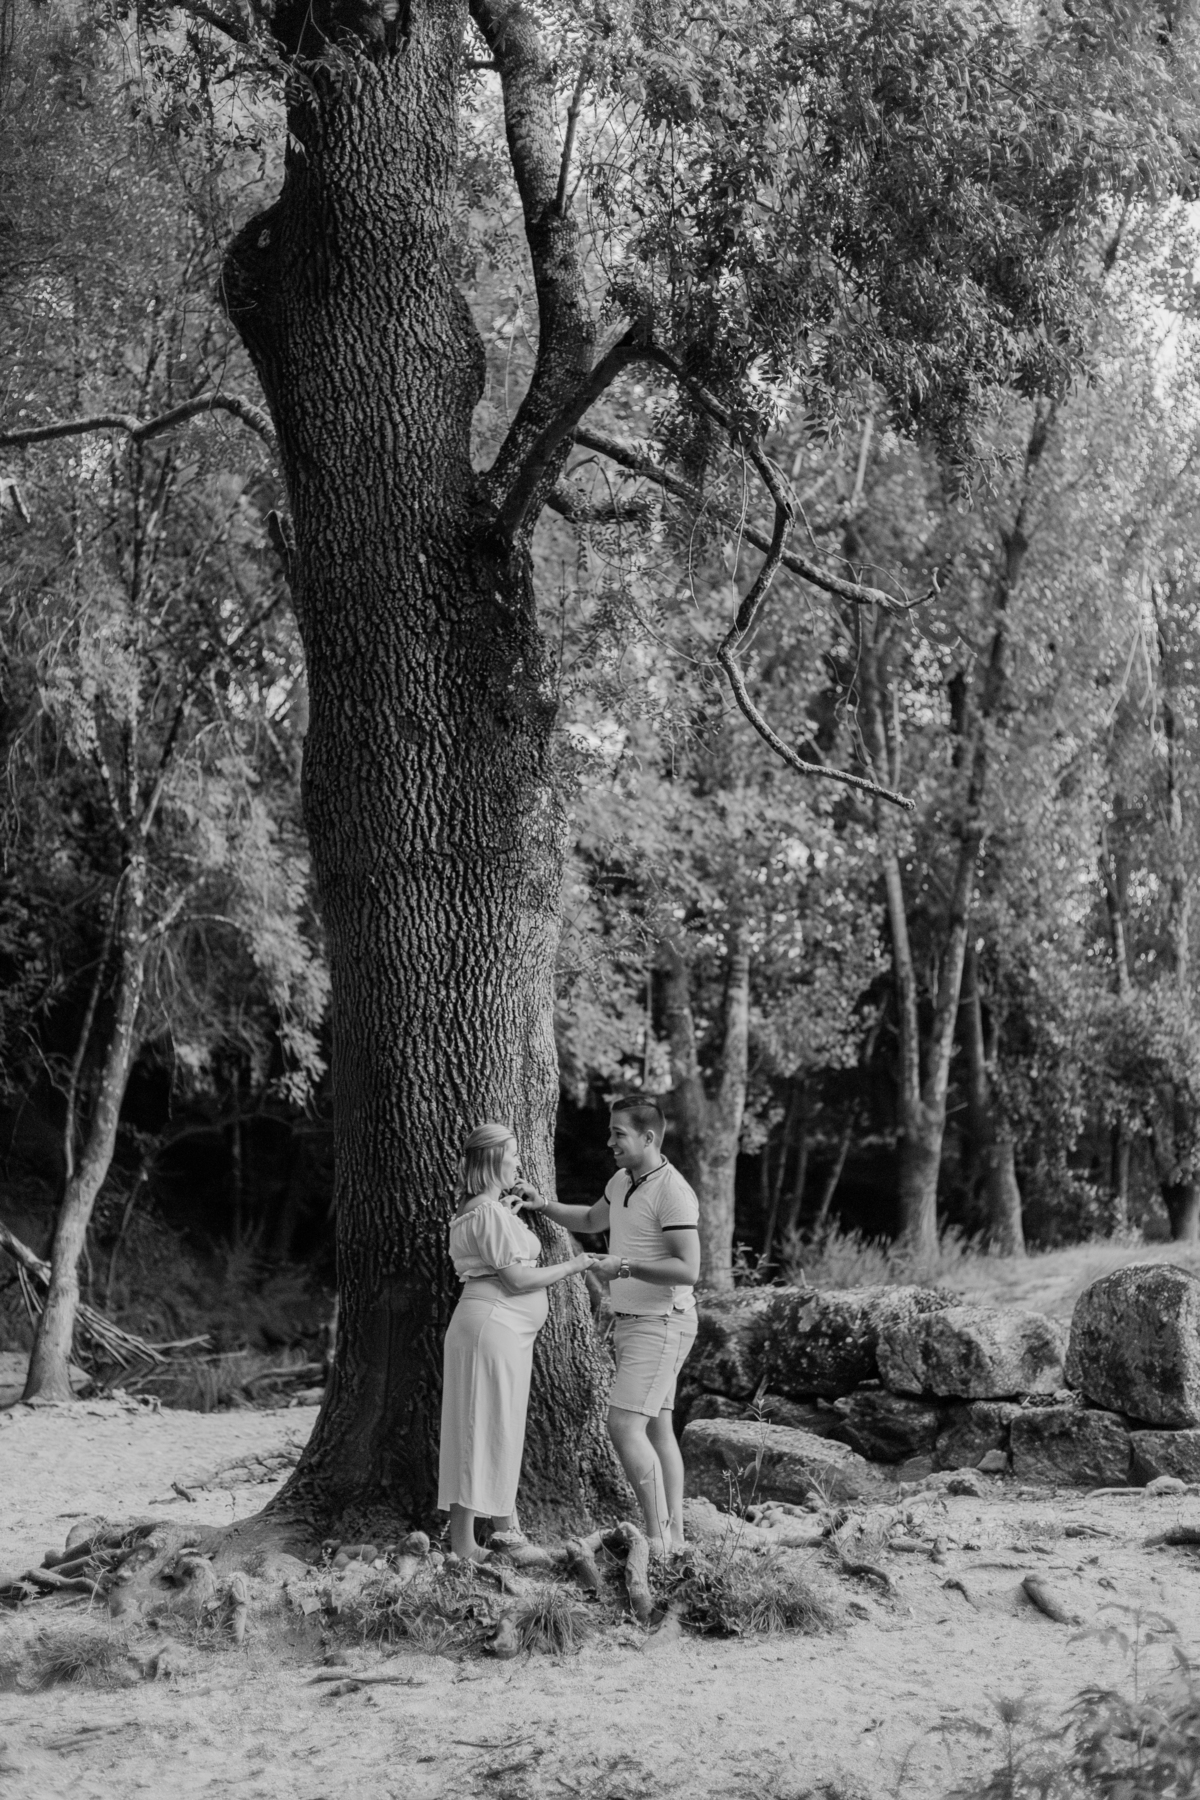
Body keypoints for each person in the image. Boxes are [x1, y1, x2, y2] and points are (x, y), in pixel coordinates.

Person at [517, 1096, 700, 1557]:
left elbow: (688, 1268)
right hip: (637, 1323)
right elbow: (595, 1219)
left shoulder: (672, 1191)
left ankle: (658, 1541)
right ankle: (673, 1538)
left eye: (619, 1133)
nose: (609, 1141)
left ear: (648, 1138)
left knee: (623, 1426)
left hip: (662, 1322)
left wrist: (625, 1266)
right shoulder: (623, 1180)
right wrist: (544, 1206)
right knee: (658, 1428)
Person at [437, 1121, 594, 1562]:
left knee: (496, 1427)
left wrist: (511, 1214)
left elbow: (499, 1250)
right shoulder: (485, 1213)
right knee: (476, 1428)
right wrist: (574, 1265)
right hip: (492, 1325)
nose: (520, 1162)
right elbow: (517, 1277)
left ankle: (506, 1528)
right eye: (513, 1155)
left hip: (500, 1328)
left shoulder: (485, 1211)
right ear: (491, 1160)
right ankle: (465, 1545)